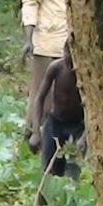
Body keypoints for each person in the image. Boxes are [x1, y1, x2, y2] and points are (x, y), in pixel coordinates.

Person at [20, 0, 68, 153]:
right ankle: (33, 134)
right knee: (42, 91)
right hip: (47, 40)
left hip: (70, 43)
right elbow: (30, 1)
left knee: (65, 92)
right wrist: (29, 38)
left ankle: (60, 137)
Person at [30, 40, 84, 181]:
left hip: (77, 126)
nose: (71, 65)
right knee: (48, 170)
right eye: (68, 58)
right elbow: (39, 99)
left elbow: (94, 111)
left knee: (73, 171)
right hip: (54, 123)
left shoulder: (86, 74)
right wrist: (36, 132)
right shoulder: (56, 68)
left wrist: (84, 137)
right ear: (64, 53)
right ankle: (44, 201)